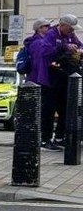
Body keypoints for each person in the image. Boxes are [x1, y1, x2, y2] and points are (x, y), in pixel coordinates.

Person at [42, 13, 83, 148]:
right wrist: (65, 47)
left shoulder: (70, 35)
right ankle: (45, 140)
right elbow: (46, 52)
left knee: (65, 108)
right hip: (51, 77)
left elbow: (79, 44)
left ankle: (59, 138)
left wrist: (80, 50)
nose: (72, 31)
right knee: (49, 109)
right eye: (70, 28)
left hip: (65, 77)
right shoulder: (51, 34)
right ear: (63, 25)